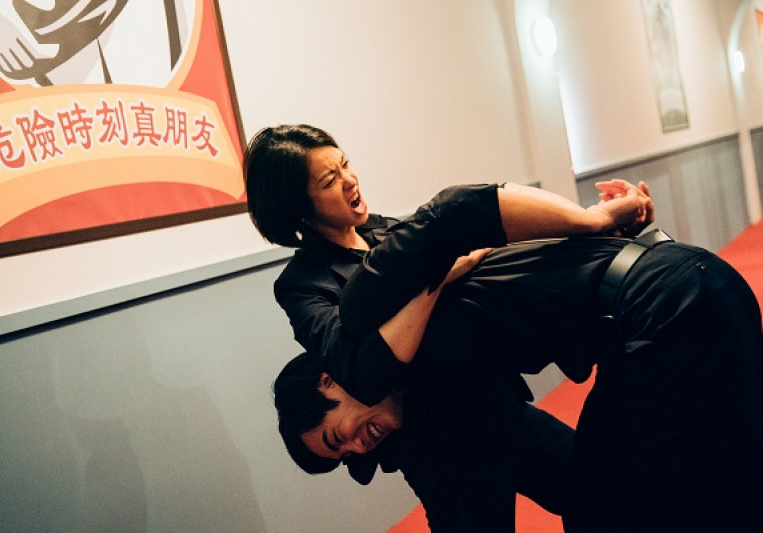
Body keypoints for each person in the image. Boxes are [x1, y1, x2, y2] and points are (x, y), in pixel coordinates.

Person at [270, 183, 763, 532]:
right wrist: (612, 221)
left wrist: (598, 219)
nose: (358, 448)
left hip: (667, 306)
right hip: (687, 283)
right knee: (689, 483)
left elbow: (455, 210)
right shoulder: (427, 372)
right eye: (347, 457)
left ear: (328, 378)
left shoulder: (370, 309)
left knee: (634, 501)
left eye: (337, 437)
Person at [244, 124, 656, 531]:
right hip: (441, 448)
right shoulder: (302, 285)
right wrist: (437, 278)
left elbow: (487, 257)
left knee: (609, 499)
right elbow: (365, 370)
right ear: (299, 206)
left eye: (345, 165)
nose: (350, 180)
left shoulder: (384, 230)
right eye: (330, 180)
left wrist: (610, 231)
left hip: (495, 404)